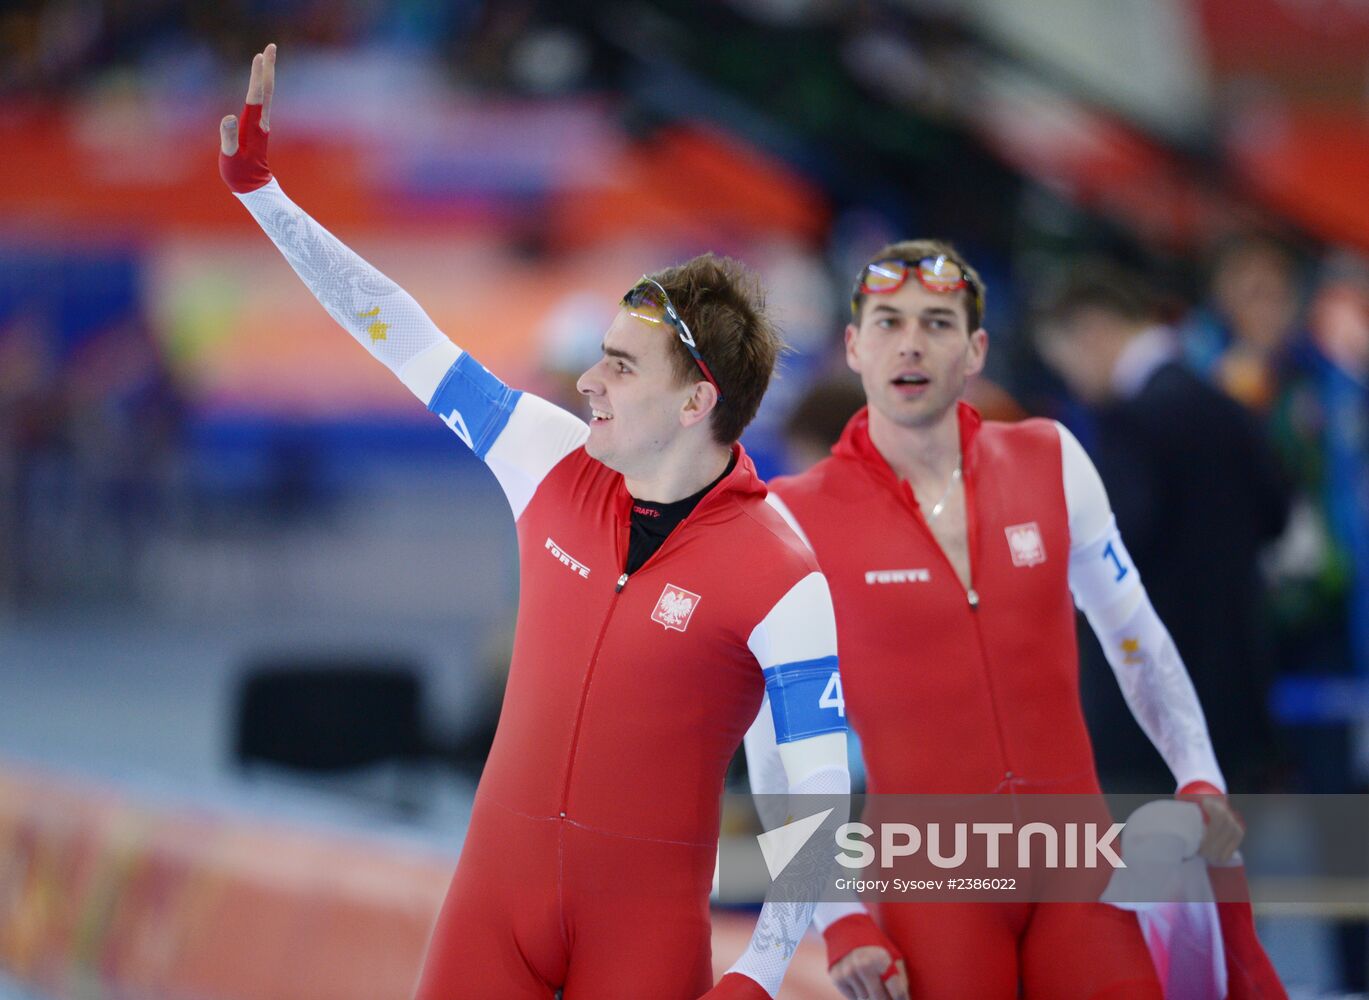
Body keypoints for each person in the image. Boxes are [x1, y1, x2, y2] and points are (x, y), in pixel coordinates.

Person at [218, 45, 852, 1000]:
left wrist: (761, 972)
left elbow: (813, 801)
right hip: (491, 911)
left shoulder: (783, 577)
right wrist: (263, 195)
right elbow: (401, 329)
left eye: (621, 368)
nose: (588, 381)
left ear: (695, 404)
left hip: (641, 939)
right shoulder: (545, 457)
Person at [747, 241, 1248, 999]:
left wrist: (1198, 773)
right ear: (852, 346)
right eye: (886, 322)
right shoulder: (794, 516)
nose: (910, 342)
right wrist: (839, 918)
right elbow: (772, 745)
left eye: (937, 323)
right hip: (929, 885)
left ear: (974, 348)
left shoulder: (1051, 458)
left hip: (1077, 865)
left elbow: (1134, 636)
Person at [1034, 263, 1291, 795]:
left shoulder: (1131, 423)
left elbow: (1112, 554)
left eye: (1066, 362)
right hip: (1238, 688)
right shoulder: (1226, 406)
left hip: (1152, 714)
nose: (1073, 383)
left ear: (1093, 331)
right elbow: (1278, 515)